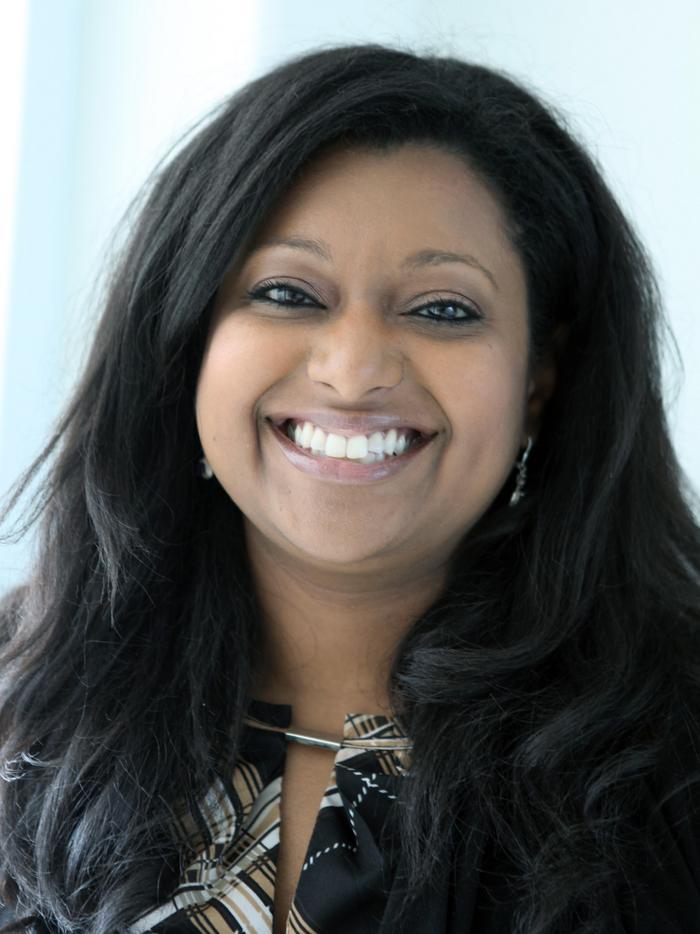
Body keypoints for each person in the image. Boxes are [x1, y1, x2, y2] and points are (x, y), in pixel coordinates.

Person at [0, 42, 698, 934]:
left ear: (538, 380)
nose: (355, 369)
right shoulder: (22, 709)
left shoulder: (676, 764)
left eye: (443, 308)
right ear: (185, 342)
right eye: (289, 293)